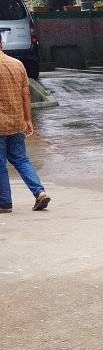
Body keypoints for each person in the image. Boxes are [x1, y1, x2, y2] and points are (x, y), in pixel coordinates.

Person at [0, 28, 49, 213]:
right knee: (21, 159)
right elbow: (26, 95)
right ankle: (40, 192)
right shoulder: (17, 64)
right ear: (1, 44)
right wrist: (28, 119)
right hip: (17, 122)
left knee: (0, 164)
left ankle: (5, 203)